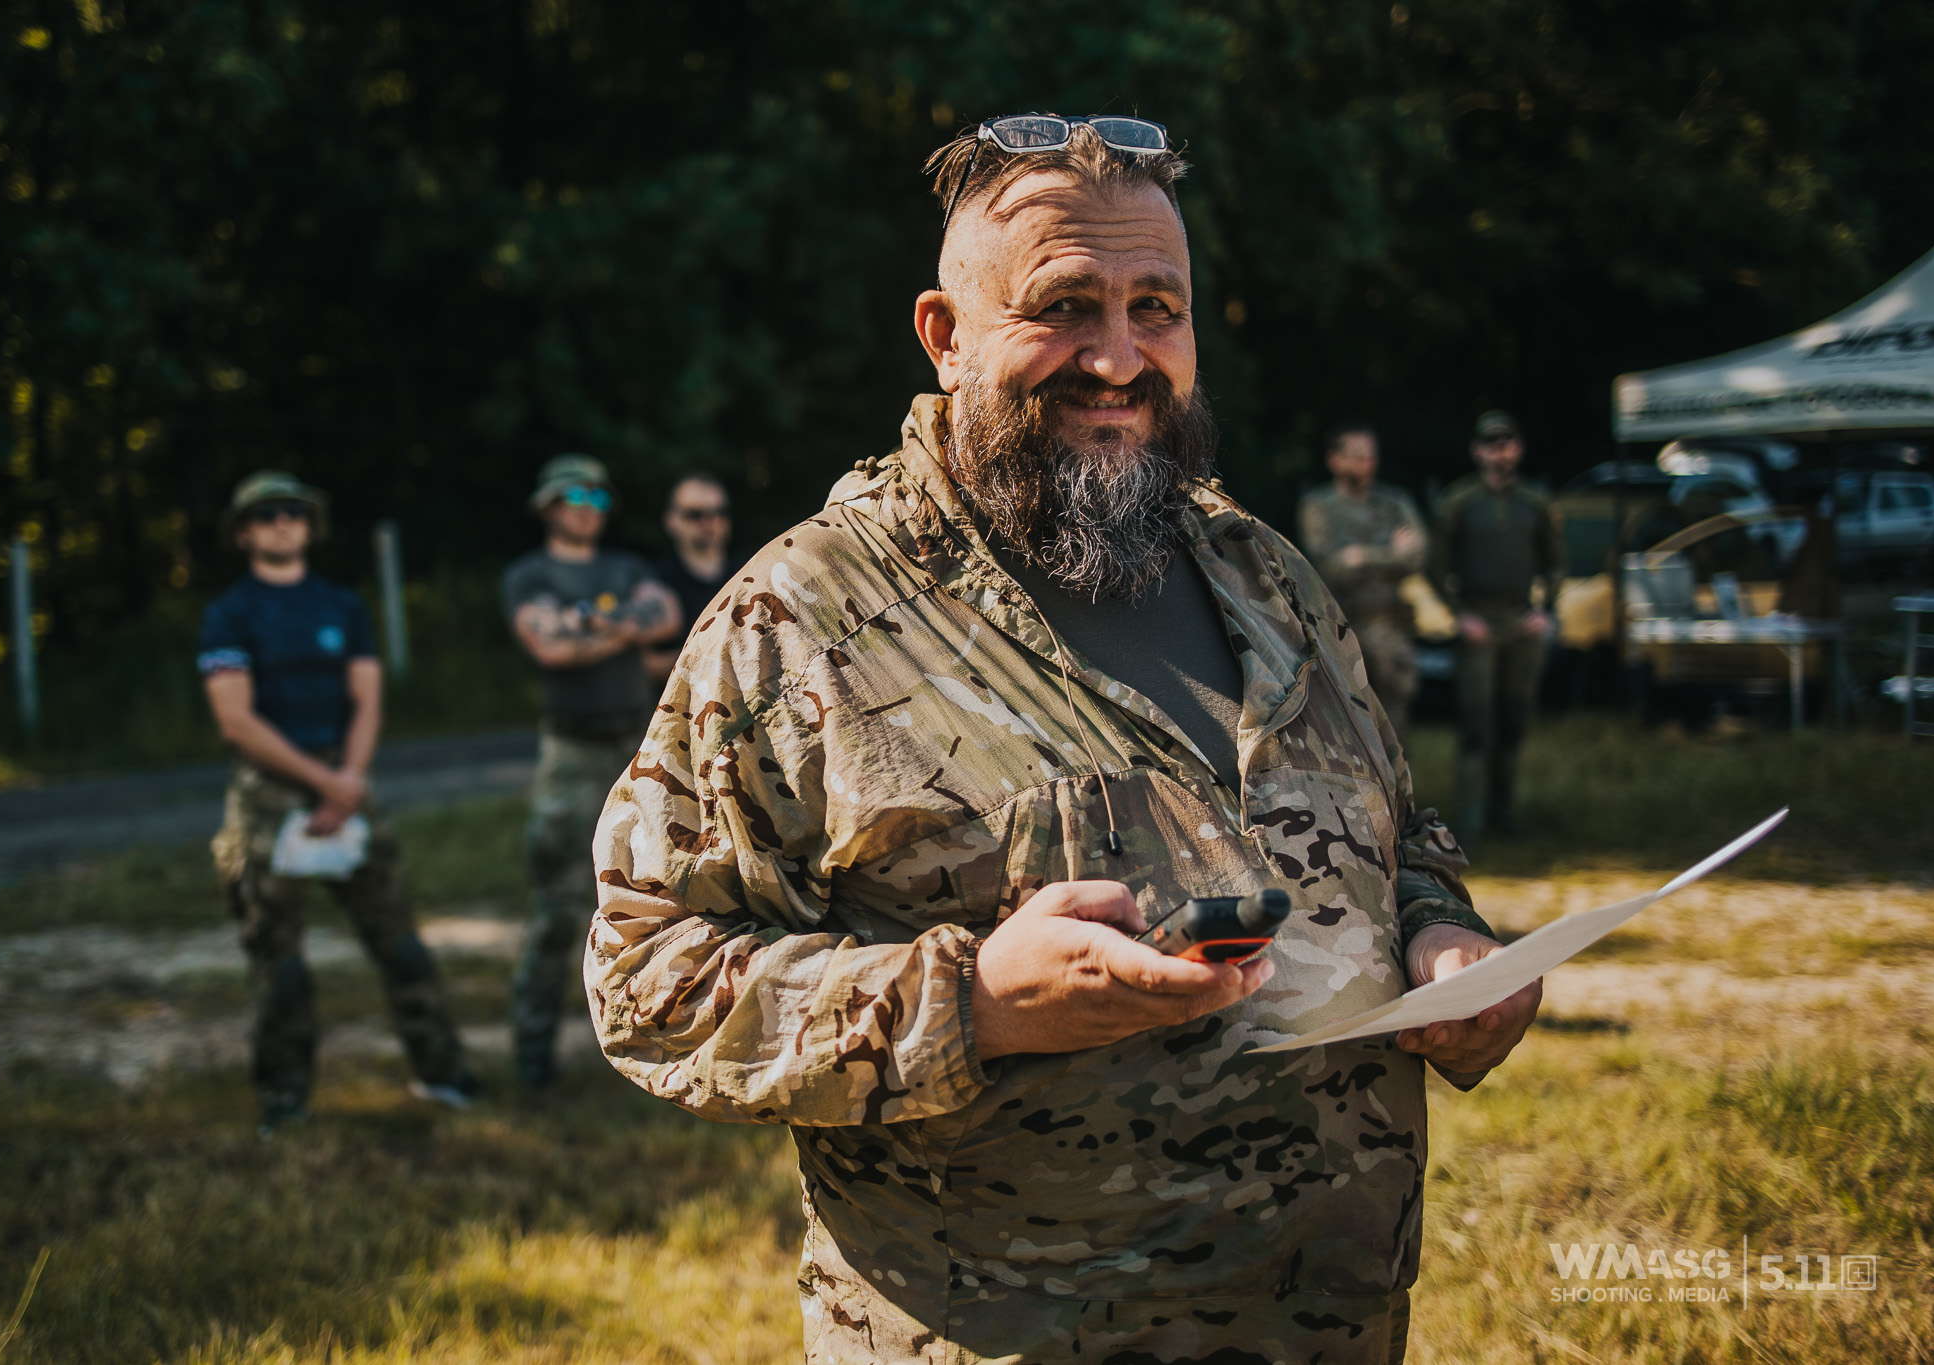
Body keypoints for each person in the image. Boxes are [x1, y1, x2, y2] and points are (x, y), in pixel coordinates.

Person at [588, 118, 1540, 1363]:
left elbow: (1395, 830)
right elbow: (645, 979)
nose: (1116, 356)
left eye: (1157, 307)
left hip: (1329, 1320)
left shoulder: (1268, 576)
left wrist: (1440, 932)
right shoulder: (802, 620)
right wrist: (968, 1002)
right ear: (944, 336)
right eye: (1065, 306)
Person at [199, 470, 475, 1135]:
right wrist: (323, 786)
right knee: (281, 961)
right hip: (270, 796)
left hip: (348, 786)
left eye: (293, 511)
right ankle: (284, 1100)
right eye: (266, 514)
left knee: (401, 943)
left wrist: (347, 779)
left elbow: (368, 698)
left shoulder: (340, 605)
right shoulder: (230, 613)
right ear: (244, 531)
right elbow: (235, 719)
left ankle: (442, 1073)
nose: (283, 521)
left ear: (309, 524)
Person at [501, 455, 678, 1087]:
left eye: (599, 497)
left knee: (655, 898)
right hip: (571, 757)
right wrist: (622, 627)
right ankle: (533, 1060)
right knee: (557, 907)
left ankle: (651, 1048)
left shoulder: (627, 567)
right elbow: (548, 645)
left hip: (636, 750)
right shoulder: (530, 574)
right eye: (576, 495)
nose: (588, 506)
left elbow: (664, 617)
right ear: (548, 504)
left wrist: (586, 622)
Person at [1430, 411, 1564, 839]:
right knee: (1476, 723)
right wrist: (1459, 614)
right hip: (1478, 623)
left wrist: (1547, 609)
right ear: (1477, 450)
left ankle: (1504, 815)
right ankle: (1470, 822)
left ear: (1518, 448)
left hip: (1522, 622)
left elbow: (1557, 561)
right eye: (1491, 443)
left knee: (1514, 719)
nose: (1499, 451)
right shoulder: (1459, 502)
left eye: (1507, 442)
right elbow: (1436, 566)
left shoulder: (1536, 502)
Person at [1297, 421, 1430, 739]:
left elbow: (1418, 556)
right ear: (1335, 460)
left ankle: (1398, 790)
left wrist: (1362, 555)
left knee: (1395, 727)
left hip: (1390, 627)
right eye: (1357, 456)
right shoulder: (1319, 506)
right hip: (1339, 629)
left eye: (1370, 456)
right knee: (1345, 728)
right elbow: (1329, 566)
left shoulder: (1394, 503)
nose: (1366, 464)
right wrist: (1390, 553)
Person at [645, 472, 747, 682]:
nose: (710, 521)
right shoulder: (654, 581)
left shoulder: (750, 572)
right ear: (671, 520)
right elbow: (643, 666)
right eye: (695, 514)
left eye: (720, 512)